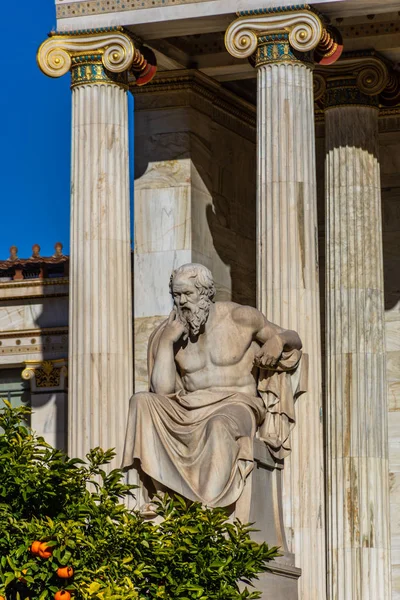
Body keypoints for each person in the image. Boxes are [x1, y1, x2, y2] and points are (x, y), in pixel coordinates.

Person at [122, 263, 302, 515]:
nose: (182, 302)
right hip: (189, 407)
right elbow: (162, 393)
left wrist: (278, 341)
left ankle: (205, 509)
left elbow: (294, 338)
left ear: (205, 293)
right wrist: (166, 341)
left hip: (237, 404)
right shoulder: (169, 333)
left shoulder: (240, 317)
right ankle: (163, 496)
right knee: (141, 401)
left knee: (218, 425)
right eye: (176, 295)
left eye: (187, 294)